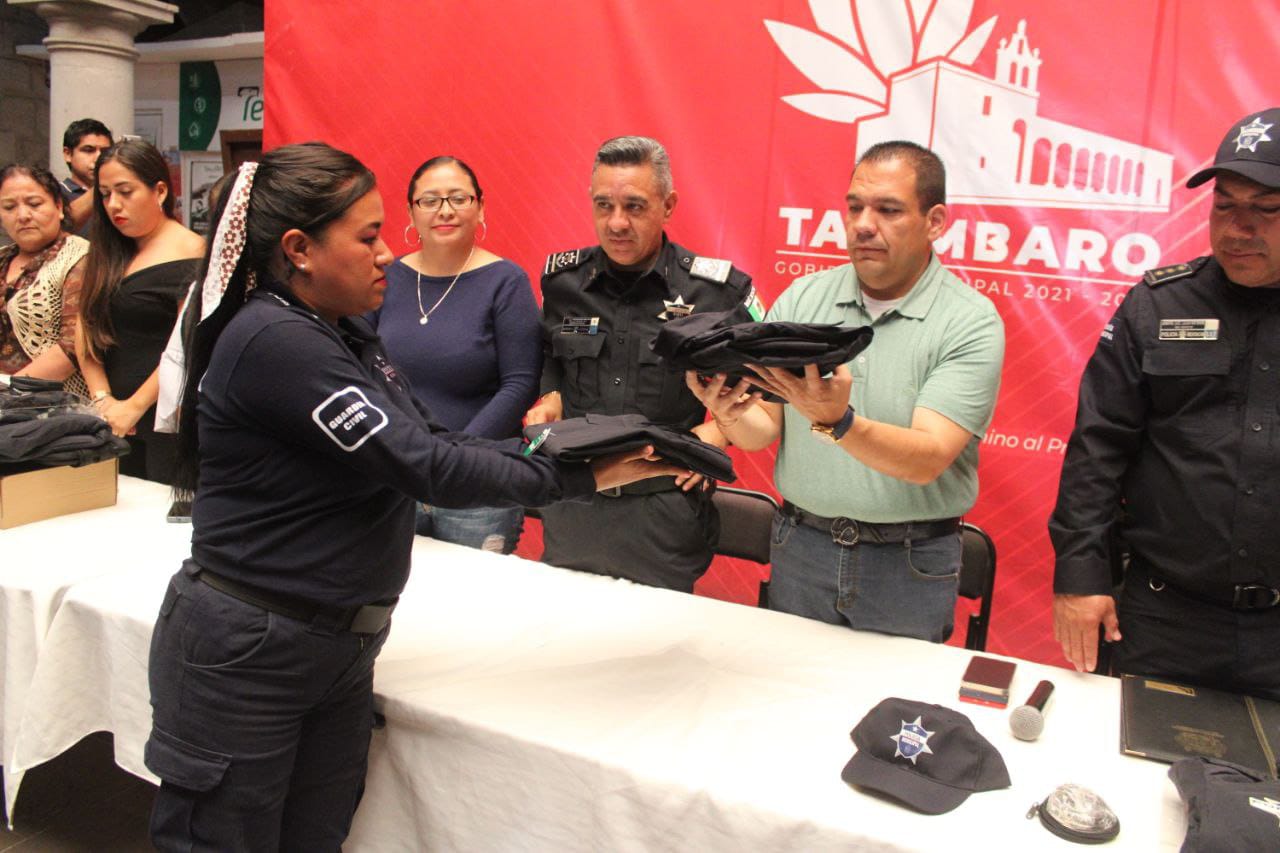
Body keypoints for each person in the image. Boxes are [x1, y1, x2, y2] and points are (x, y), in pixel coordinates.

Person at [144, 142, 680, 851]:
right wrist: (582, 474)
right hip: (255, 652)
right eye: (368, 237)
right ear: (299, 250)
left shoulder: (340, 334)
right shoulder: (276, 340)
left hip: (332, 645)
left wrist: (575, 454)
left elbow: (434, 438)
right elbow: (423, 463)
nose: (385, 255)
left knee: (315, 836)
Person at [689, 141, 1004, 642]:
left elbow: (927, 459)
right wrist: (726, 411)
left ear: (935, 222)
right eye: (854, 207)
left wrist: (839, 423)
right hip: (801, 545)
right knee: (788, 684)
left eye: (888, 210)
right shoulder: (804, 297)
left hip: (908, 565)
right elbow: (762, 430)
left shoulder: (969, 321)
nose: (862, 224)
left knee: (897, 694)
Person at [1049, 107, 1280, 699]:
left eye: (1265, 208)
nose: (1238, 228)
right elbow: (1097, 449)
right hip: (1165, 619)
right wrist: (1080, 576)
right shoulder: (1159, 306)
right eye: (1224, 206)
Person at [528, 135, 759, 592]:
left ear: (668, 205)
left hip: (664, 512)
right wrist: (550, 395)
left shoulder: (715, 292)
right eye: (604, 205)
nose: (616, 223)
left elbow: (757, 393)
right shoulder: (563, 281)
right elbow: (551, 352)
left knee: (656, 637)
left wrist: (714, 437)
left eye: (634, 206)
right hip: (575, 506)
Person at [367, 155, 541, 553]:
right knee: (398, 588)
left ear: (480, 207)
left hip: (479, 482)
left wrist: (455, 456)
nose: (444, 210)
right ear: (411, 212)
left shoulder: (506, 281)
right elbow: (362, 367)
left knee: (472, 593)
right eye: (430, 200)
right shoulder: (384, 277)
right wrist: (403, 452)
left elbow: (521, 383)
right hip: (398, 474)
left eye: (458, 198)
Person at [76, 139, 204, 483]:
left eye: (125, 192)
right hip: (108, 419)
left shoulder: (191, 251)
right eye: (105, 195)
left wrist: (133, 406)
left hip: (165, 422)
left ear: (159, 191)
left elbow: (187, 345)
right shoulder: (108, 250)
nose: (113, 204)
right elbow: (85, 325)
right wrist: (102, 399)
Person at [0, 164, 89, 394]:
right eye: (9, 207)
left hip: (53, 404)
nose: (23, 216)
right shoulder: (3, 257)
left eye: (34, 204)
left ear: (59, 206)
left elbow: (73, 347)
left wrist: (7, 392)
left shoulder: (80, 257)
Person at [59, 118, 113, 234]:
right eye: (89, 150)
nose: (99, 158)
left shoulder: (116, 193)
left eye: (105, 152)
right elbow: (61, 228)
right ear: (68, 154)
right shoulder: (54, 192)